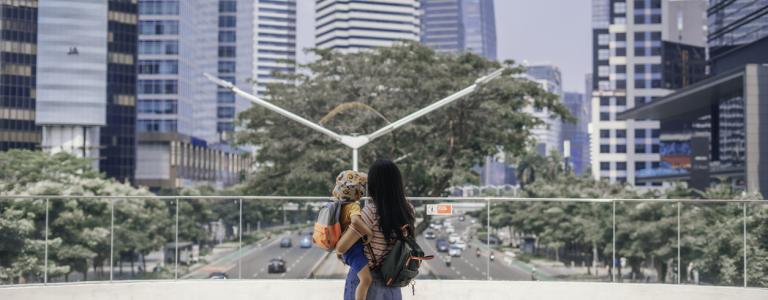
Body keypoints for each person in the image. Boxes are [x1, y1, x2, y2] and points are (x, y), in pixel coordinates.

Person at [342, 159, 415, 300]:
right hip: (392, 280)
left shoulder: (370, 212)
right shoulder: (408, 210)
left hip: (366, 280)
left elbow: (343, 246)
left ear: (374, 184)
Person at [332, 170, 374, 300]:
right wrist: (369, 232)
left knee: (362, 278)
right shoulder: (353, 206)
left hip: (347, 247)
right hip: (353, 249)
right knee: (366, 280)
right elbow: (355, 221)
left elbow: (350, 178)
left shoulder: (340, 204)